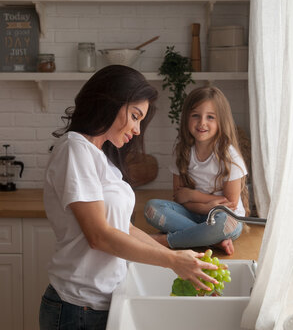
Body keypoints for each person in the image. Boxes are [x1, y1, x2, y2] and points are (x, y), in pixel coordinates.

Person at [40, 65, 219, 330]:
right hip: (76, 308)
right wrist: (172, 261)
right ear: (110, 102)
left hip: (100, 304)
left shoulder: (101, 158)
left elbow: (125, 229)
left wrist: (181, 260)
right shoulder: (75, 149)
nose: (137, 129)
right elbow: (99, 236)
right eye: (135, 116)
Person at [144, 86, 249, 256]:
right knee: (152, 208)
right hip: (192, 214)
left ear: (221, 121)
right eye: (195, 115)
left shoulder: (229, 156)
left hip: (224, 219)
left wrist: (192, 196)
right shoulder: (182, 151)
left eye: (210, 117)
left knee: (226, 222)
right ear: (186, 118)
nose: (202, 123)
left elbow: (229, 204)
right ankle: (211, 240)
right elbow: (179, 198)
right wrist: (203, 206)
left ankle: (166, 241)